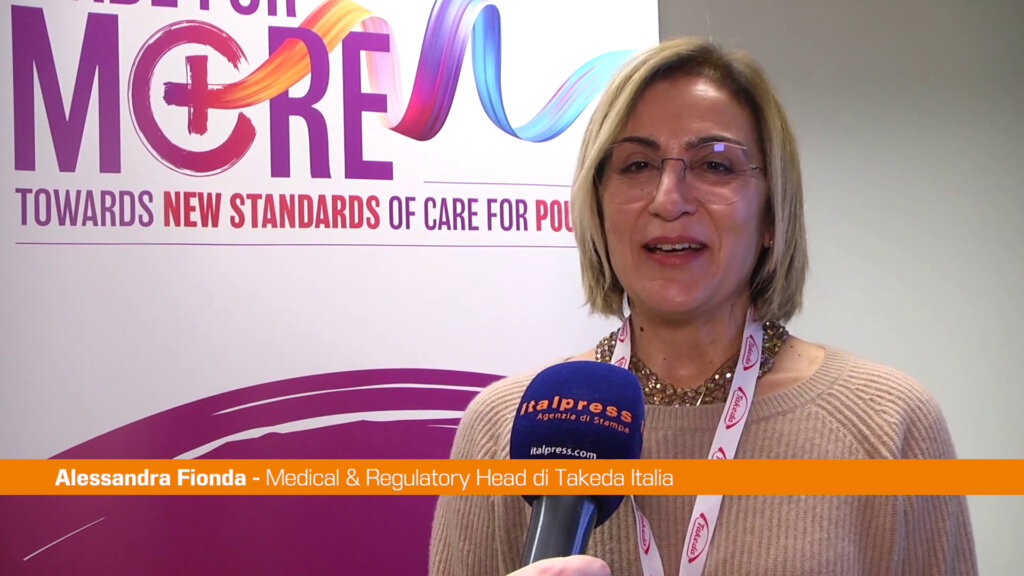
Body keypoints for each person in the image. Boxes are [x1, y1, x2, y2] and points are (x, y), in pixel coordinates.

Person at [429, 37, 977, 576]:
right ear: (597, 207)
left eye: (715, 165)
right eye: (637, 165)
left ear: (771, 213)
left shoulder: (889, 423)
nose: (669, 200)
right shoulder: (503, 429)